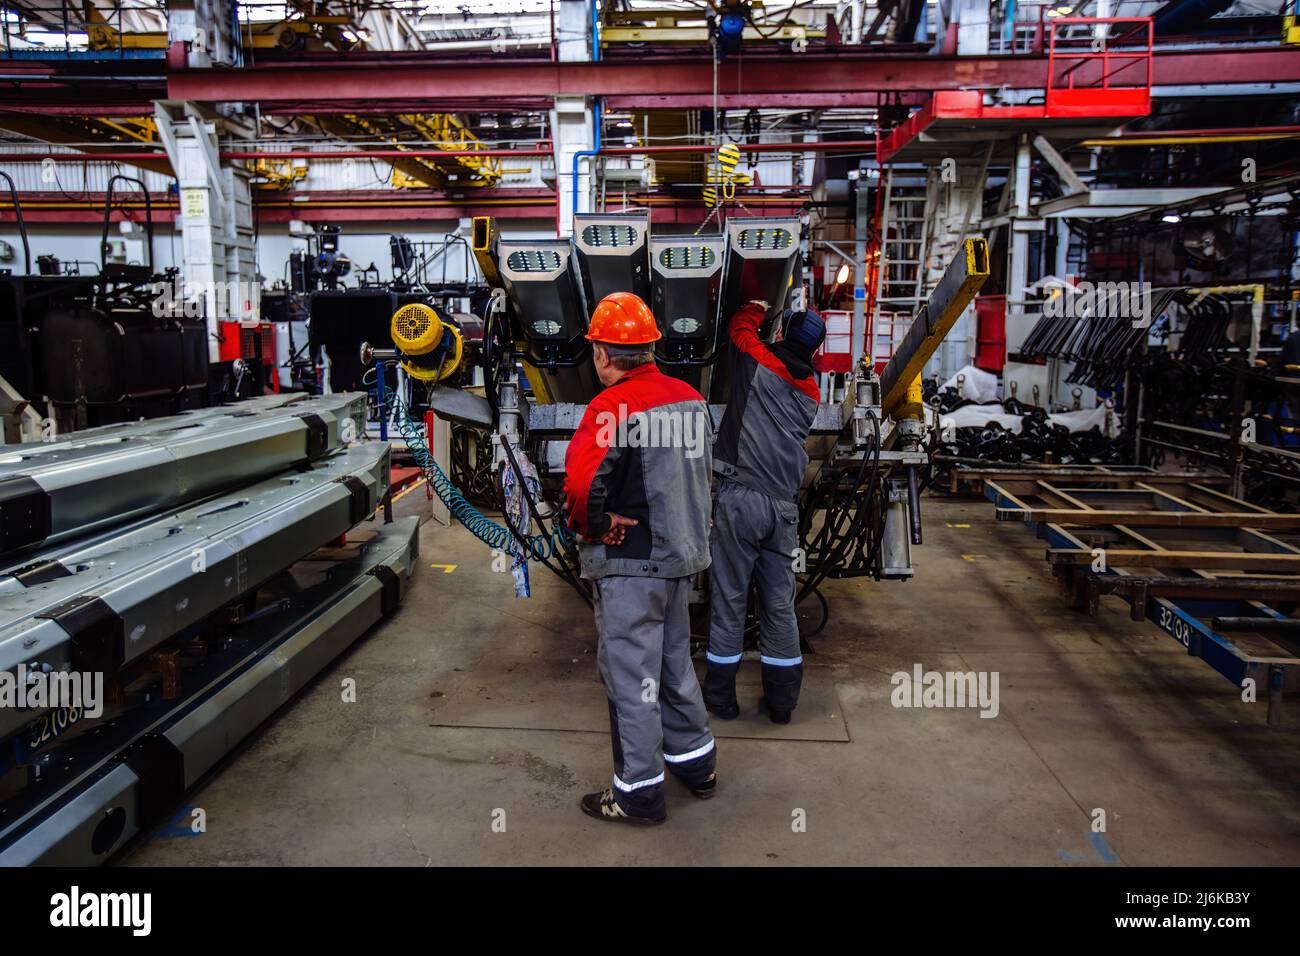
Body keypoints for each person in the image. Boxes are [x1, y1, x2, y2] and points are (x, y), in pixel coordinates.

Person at [564, 291, 717, 826]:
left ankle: (639, 796)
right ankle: (698, 768)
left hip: (633, 568)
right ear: (650, 347)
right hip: (680, 561)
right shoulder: (690, 400)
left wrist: (596, 526)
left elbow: (581, 487)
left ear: (603, 354)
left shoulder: (611, 407)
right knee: (674, 667)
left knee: (632, 681)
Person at [704, 300, 825, 724]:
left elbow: (739, 331)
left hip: (741, 500)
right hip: (783, 510)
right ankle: (782, 704)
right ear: (814, 352)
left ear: (781, 334)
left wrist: (754, 306)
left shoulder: (759, 361)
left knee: (730, 597)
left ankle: (721, 699)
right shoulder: (812, 388)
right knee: (778, 603)